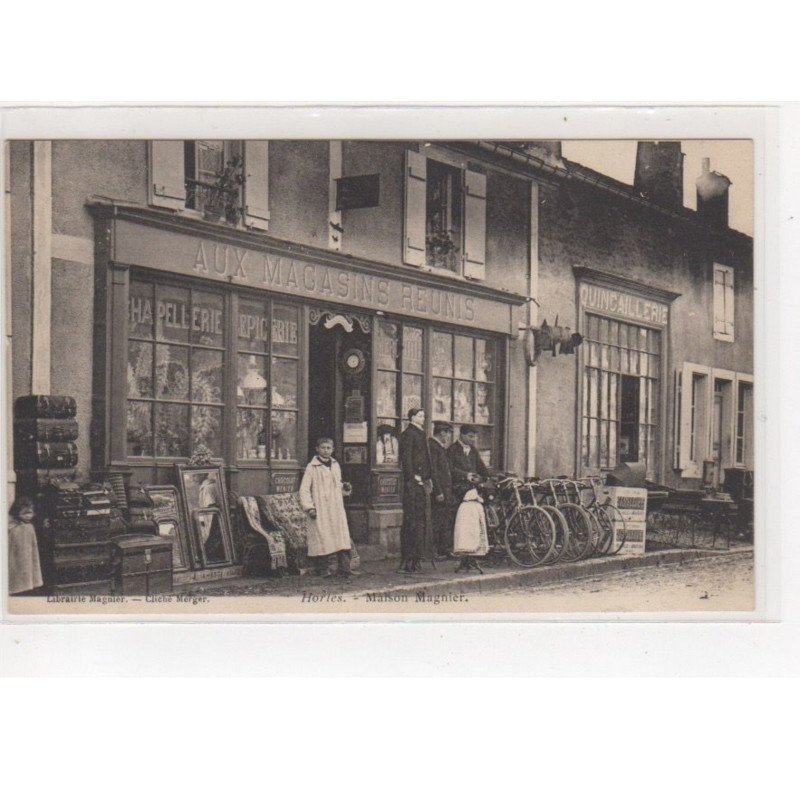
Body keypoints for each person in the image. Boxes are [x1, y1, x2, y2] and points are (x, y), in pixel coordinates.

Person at [299, 437, 355, 579]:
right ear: (317, 449)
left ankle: (344, 569)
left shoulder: (335, 465)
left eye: (329, 448)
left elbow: (337, 485)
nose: (326, 451)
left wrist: (345, 488)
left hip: (335, 507)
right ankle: (323, 569)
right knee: (322, 537)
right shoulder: (312, 467)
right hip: (321, 507)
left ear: (333, 450)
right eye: (323, 448)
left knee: (341, 537)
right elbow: (304, 489)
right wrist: (309, 507)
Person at [398, 407, 433, 573]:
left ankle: (416, 558)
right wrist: (413, 478)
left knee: (419, 522)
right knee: (412, 523)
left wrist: (427, 478)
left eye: (423, 416)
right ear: (411, 417)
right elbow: (407, 459)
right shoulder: (409, 435)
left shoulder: (420, 434)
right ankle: (409, 559)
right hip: (413, 485)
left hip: (420, 484)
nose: (423, 418)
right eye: (420, 416)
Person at [428, 421, 455, 557]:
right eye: (449, 433)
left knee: (444, 521)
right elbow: (433, 471)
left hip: (445, 491)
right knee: (437, 522)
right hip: (439, 492)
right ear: (442, 432)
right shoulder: (433, 447)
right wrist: (438, 491)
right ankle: (435, 551)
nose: (449, 437)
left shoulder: (440, 447)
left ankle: (443, 550)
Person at [8, 497, 43, 596]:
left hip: (28, 556)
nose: (28, 516)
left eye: (30, 513)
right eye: (24, 513)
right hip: (15, 557)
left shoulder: (30, 527)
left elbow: (33, 546)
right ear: (16, 513)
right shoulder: (12, 528)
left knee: (28, 572)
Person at [448, 424, 489, 503]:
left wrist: (486, 477)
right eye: (470, 436)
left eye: (474, 437)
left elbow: (481, 467)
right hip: (457, 491)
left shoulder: (473, 450)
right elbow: (449, 469)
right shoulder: (452, 449)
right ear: (462, 435)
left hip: (473, 489)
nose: (473, 439)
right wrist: (465, 475)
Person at [453, 487, 490, 574]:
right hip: (474, 535)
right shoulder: (477, 506)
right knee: (472, 532)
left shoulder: (462, 506)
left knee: (464, 533)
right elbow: (482, 523)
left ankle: (466, 559)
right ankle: (469, 558)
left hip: (465, 539)